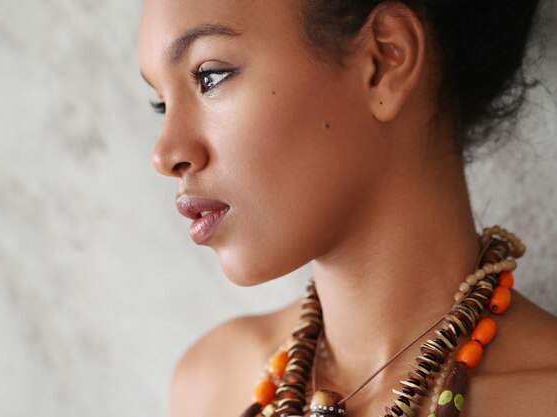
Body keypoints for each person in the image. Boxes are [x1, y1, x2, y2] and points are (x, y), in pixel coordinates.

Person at [138, 1, 557, 416]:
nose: (165, 154)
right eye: (161, 103)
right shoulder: (212, 386)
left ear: (383, 61)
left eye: (210, 76)